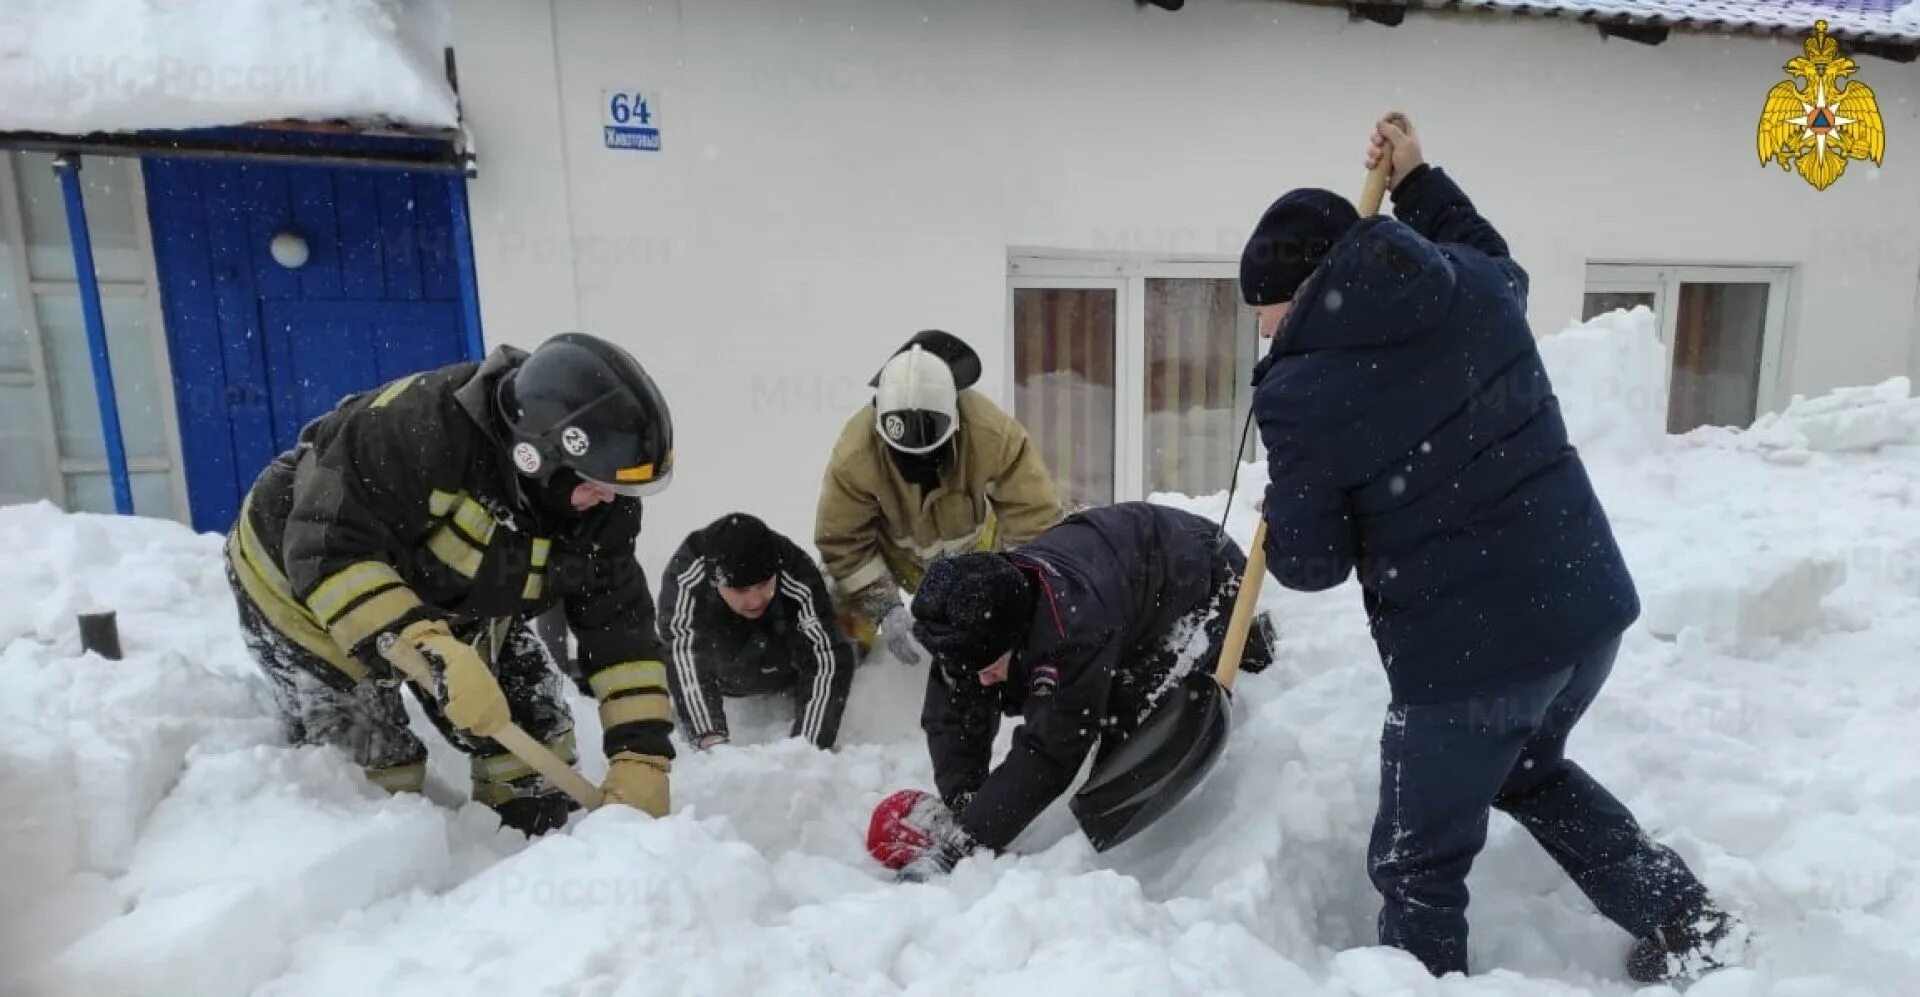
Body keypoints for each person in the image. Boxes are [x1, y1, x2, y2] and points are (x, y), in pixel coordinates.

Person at [1239, 112, 1745, 983]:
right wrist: (1420, 181)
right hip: (1585, 612)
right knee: (1529, 766)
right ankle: (1687, 920)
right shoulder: (1473, 287)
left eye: (1266, 311)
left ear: (1305, 288)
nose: (1261, 331)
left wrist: (1288, 500)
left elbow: (1312, 566)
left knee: (1416, 863)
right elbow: (1490, 249)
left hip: (1466, 664)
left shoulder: (1300, 392)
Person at [223, 332, 679, 836]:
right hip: (306, 578)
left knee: (530, 737)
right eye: (597, 485)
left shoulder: (599, 506)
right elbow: (329, 550)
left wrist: (642, 755)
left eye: (621, 489)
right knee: (369, 765)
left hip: (456, 591)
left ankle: (524, 860)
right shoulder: (415, 429)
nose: (611, 501)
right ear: (537, 456)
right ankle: (384, 884)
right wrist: (425, 647)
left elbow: (621, 632)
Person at [864, 502, 1276, 880]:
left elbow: (1051, 751)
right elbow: (953, 711)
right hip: (1121, 573)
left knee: (1124, 726)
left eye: (991, 669)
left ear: (1019, 636)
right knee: (1022, 688)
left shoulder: (1070, 629)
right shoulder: (966, 614)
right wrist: (965, 801)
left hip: (1201, 574)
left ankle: (1244, 640)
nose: (984, 681)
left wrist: (965, 843)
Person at [814, 329, 1064, 667]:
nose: (918, 466)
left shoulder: (993, 434)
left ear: (956, 422)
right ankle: (847, 678)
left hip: (975, 550)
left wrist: (1020, 598)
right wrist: (883, 606)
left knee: (1012, 616)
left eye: (931, 452)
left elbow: (1036, 523)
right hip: (896, 556)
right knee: (837, 596)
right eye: (904, 455)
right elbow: (842, 544)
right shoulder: (854, 456)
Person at [657, 512, 859, 751]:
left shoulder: (795, 571)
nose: (754, 601)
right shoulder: (687, 577)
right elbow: (684, 652)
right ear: (715, 582)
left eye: (763, 585)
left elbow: (826, 655)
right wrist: (710, 739)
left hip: (782, 665)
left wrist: (806, 749)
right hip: (721, 670)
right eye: (740, 590)